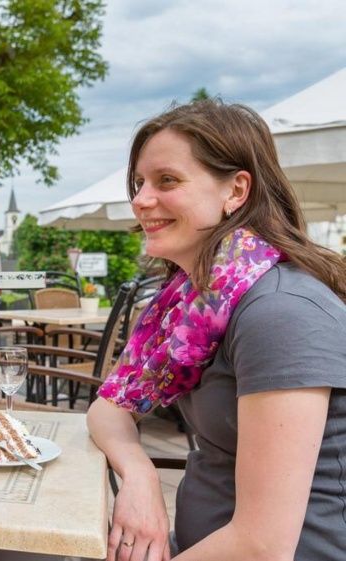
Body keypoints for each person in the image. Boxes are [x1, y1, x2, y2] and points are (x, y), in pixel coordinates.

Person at [87, 100, 346, 561]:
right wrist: (141, 475)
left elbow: (262, 547)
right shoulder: (195, 302)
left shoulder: (281, 312)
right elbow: (108, 408)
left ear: (236, 190)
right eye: (139, 183)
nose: (141, 199)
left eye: (167, 180)